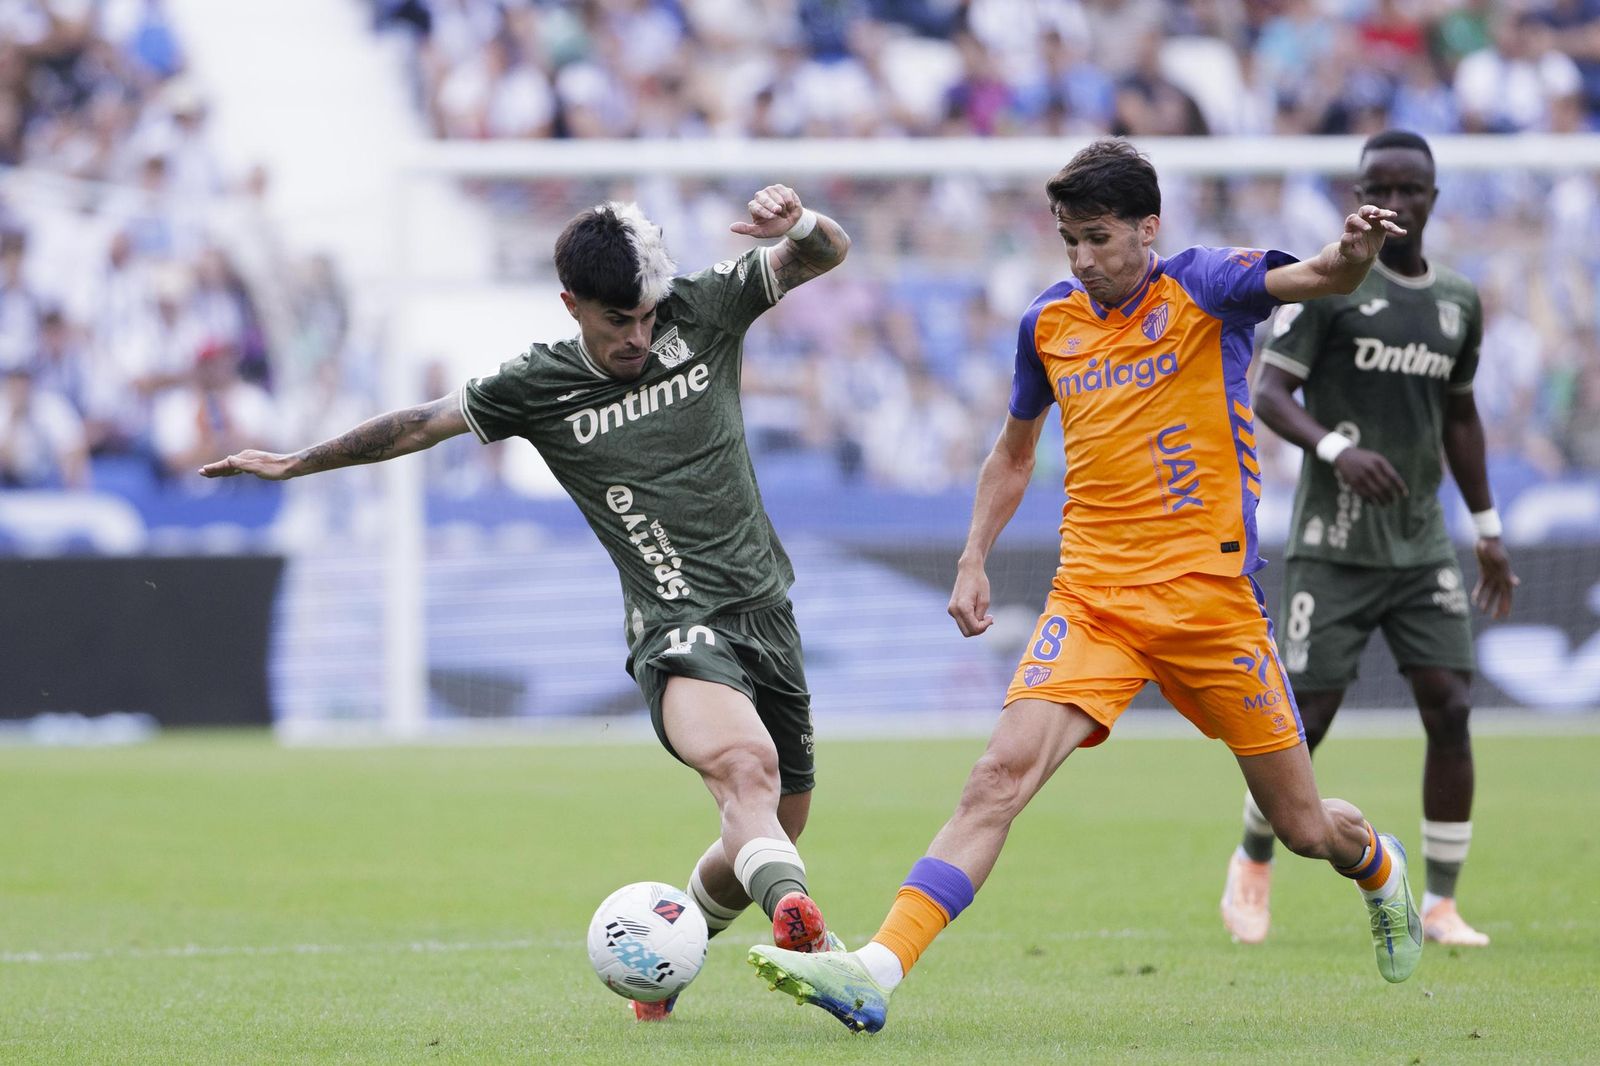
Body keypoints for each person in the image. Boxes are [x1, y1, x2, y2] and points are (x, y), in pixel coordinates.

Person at [746, 138, 1422, 1035]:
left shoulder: (1207, 285)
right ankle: (877, 968)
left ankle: (1377, 862)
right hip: (1095, 597)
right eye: (1068, 239)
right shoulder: (1048, 323)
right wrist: (973, 557)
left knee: (1301, 827)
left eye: (1098, 238)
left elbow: (1323, 278)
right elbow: (1015, 451)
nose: (1082, 258)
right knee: (996, 778)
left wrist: (1355, 253)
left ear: (1148, 228)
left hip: (1211, 604)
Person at [201, 186, 851, 1019]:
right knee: (743, 771)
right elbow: (416, 425)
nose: (640, 336)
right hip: (674, 626)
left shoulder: (705, 307)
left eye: (649, 317)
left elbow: (826, 251)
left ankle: (667, 960)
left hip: (768, 610)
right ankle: (815, 944)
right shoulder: (536, 384)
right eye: (620, 320)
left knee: (772, 824)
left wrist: (796, 222)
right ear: (571, 304)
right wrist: (298, 462)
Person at [1220, 130, 1517, 950]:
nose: (1395, 201)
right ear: (1357, 198)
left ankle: (1443, 904)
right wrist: (1336, 450)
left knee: (1452, 707)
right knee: (1305, 721)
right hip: (1332, 541)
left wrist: (1487, 529)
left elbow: (1460, 418)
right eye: (1375, 187)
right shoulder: (1334, 289)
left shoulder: (1457, 299)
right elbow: (1271, 392)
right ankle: (1252, 860)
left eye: (1411, 188)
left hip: (1421, 542)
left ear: (1432, 198)